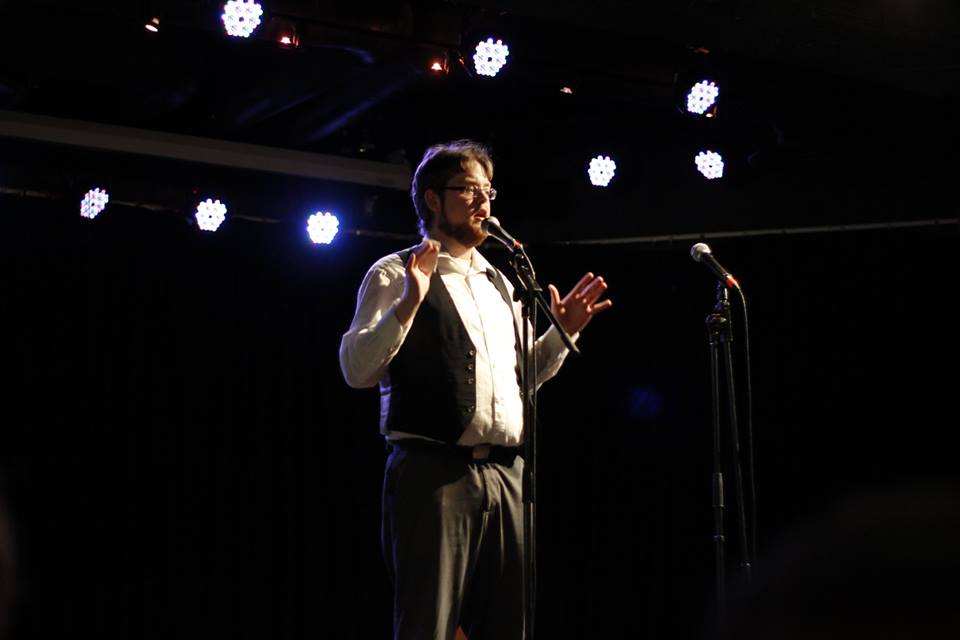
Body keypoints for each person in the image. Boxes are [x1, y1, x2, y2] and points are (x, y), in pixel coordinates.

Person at [339, 139, 612, 640]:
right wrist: (407, 304)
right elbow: (356, 369)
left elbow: (520, 379)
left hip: (506, 475)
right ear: (432, 199)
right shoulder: (395, 272)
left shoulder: (498, 282)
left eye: (488, 190)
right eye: (467, 189)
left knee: (508, 621)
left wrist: (563, 331)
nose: (483, 201)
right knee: (429, 622)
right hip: (434, 475)